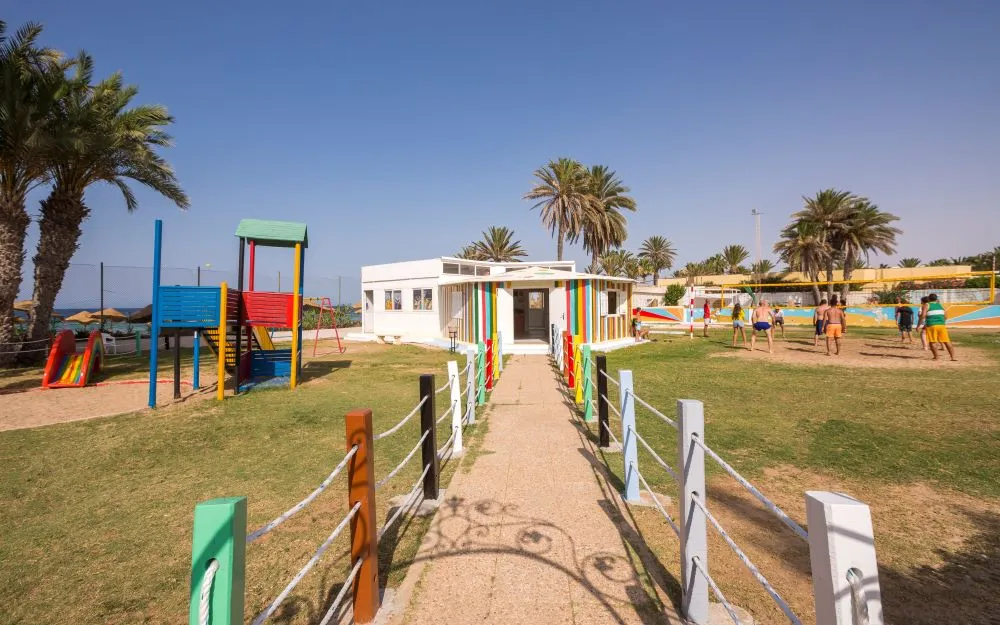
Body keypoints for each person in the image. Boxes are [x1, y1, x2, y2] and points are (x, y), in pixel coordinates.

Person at [924, 293, 956, 361]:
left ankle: (936, 357)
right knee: (947, 341)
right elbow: (946, 316)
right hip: (941, 325)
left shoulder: (927, 304)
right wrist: (941, 321)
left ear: (929, 299)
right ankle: (953, 357)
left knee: (932, 341)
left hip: (932, 325)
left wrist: (918, 325)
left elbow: (923, 315)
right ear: (936, 299)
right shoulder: (940, 305)